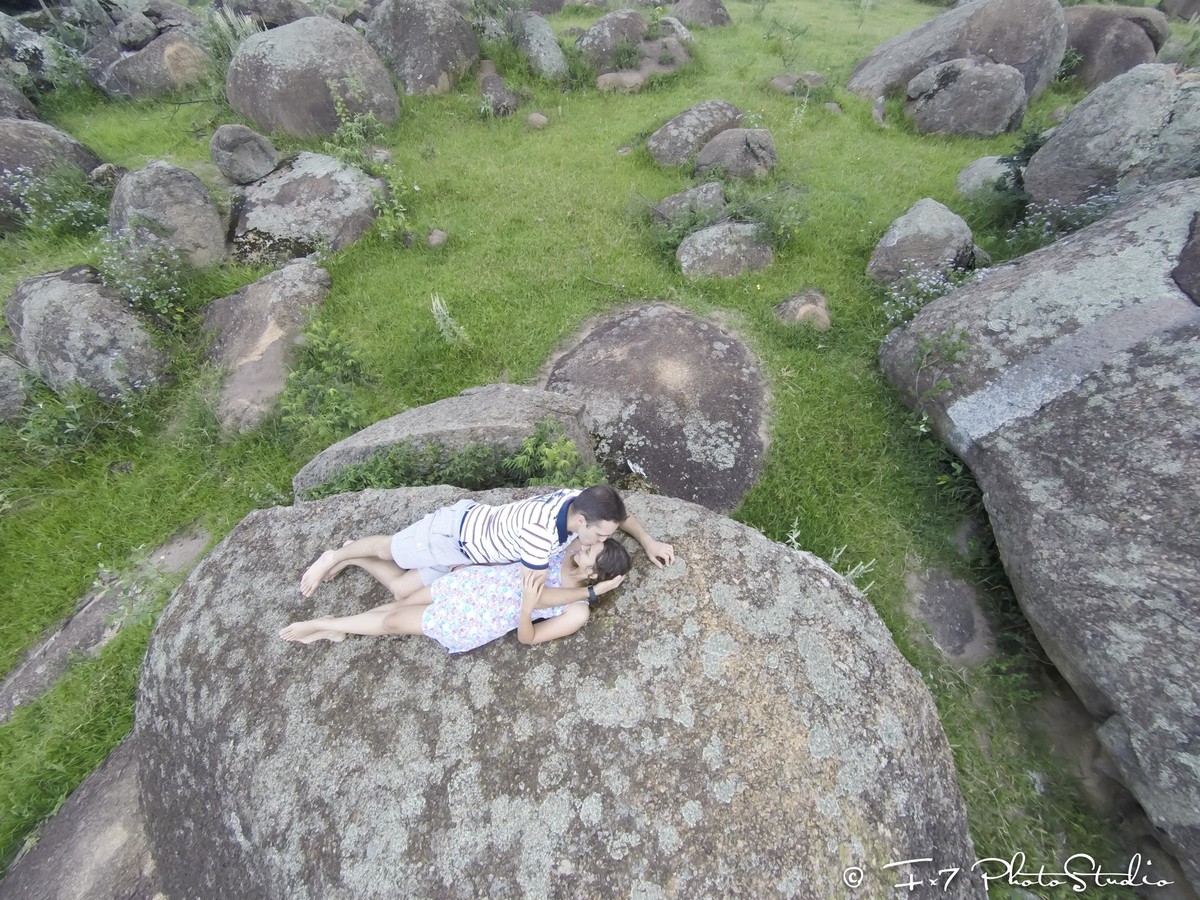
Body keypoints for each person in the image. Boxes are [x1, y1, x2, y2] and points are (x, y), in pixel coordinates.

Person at [298, 485, 672, 614]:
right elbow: (536, 596)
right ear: (580, 522)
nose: (604, 540)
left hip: (467, 552)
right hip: (450, 535)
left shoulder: (577, 499)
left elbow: (618, 517)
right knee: (388, 550)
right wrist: (593, 590)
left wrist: (648, 540)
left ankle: (352, 554)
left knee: (399, 590)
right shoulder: (539, 537)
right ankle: (337, 556)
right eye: (601, 536)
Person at [279, 538, 631, 651]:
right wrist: (472, 563)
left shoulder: (576, 611)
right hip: (472, 583)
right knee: (402, 600)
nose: (583, 545)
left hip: (476, 618)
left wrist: (526, 609)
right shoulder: (562, 551)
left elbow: (529, 637)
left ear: (592, 573)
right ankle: (340, 623)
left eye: (590, 551)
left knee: (393, 621)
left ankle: (330, 623)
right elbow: (514, 553)